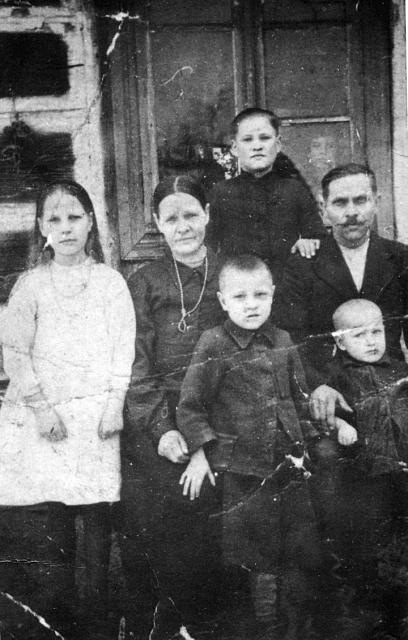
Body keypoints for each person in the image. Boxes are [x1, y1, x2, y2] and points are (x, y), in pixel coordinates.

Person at [0, 180, 136, 640]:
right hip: (47, 420)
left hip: (96, 419)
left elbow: (123, 349)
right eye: (54, 219)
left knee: (96, 519)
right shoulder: (31, 285)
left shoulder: (110, 283)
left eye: (74, 217)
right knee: (53, 523)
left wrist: (114, 404)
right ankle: (60, 623)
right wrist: (41, 409)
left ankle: (97, 622)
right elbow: (15, 352)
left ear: (91, 221)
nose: (65, 228)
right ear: (42, 227)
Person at [176, 255, 321, 639]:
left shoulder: (283, 341)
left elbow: (298, 399)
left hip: (288, 466)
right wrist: (198, 452)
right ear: (223, 301)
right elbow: (191, 405)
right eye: (240, 297)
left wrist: (306, 444)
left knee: (297, 552)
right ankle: (261, 630)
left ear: (273, 294)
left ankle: (293, 630)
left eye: (260, 295)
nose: (251, 305)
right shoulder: (214, 342)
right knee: (253, 556)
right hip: (243, 470)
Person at [120, 175, 226, 639]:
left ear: (207, 215)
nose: (183, 227)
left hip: (222, 416)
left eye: (191, 215)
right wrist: (162, 429)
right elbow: (136, 363)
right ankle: (161, 625)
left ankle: (208, 623)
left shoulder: (230, 273)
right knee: (159, 507)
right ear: (157, 224)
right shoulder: (144, 281)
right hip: (160, 420)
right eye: (171, 218)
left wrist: (207, 435)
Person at [272, 162, 408, 427]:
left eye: (361, 200)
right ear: (324, 209)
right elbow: (287, 336)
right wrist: (317, 385)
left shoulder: (401, 258)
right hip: (330, 395)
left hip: (392, 390)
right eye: (340, 202)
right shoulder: (303, 264)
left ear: (376, 202)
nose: (352, 212)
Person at [321, 299, 408, 638]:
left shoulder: (399, 370)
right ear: (340, 342)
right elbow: (324, 414)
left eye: (377, 332)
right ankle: (379, 617)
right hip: (366, 477)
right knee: (371, 546)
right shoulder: (335, 377)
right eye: (359, 335)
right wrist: (341, 425)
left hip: (402, 469)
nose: (371, 341)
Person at [207, 107, 326, 282]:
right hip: (238, 287)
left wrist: (309, 242)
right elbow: (208, 247)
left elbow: (317, 237)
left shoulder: (295, 190)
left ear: (278, 144)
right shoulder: (221, 192)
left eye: (264, 138)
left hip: (287, 286)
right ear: (234, 148)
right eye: (247, 139)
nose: (257, 146)